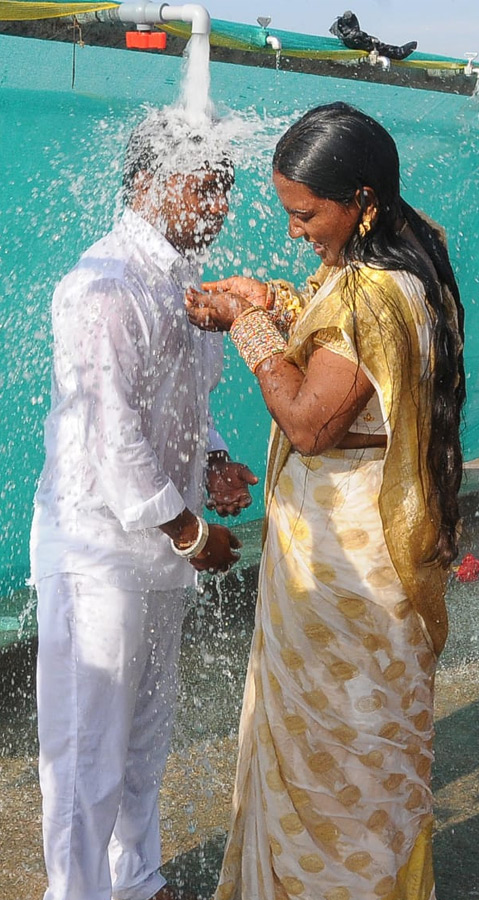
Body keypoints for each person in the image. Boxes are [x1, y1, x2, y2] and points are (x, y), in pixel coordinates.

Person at [184, 102, 465, 900]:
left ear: (362, 200)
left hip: (347, 551)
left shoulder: (375, 292)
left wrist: (249, 326)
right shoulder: (415, 252)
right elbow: (335, 307)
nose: (295, 230)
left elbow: (310, 422)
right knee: (358, 736)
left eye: (306, 214)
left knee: (335, 743)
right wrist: (274, 296)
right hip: (364, 527)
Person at [30, 109, 251, 900]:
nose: (220, 208)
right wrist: (195, 532)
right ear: (152, 184)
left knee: (144, 737)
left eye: (226, 190)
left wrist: (217, 461)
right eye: (207, 189)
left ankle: (136, 878)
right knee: (88, 749)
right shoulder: (107, 286)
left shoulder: (184, 283)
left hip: (156, 545)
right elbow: (111, 436)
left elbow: (186, 404)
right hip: (99, 549)